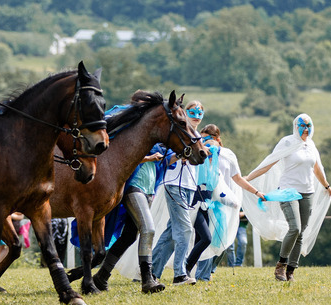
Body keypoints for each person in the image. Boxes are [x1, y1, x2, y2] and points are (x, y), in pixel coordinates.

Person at [246, 113, 331, 282]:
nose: (306, 129)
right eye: (302, 125)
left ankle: (291, 271)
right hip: (288, 191)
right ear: (295, 127)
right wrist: (247, 179)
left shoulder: (311, 145)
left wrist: (326, 185)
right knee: (295, 227)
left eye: (309, 125)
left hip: (307, 192)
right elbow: (269, 162)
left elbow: (317, 168)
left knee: (301, 233)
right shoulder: (287, 142)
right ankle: (281, 265)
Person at [188, 125, 263, 281]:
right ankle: (202, 275)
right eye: (201, 138)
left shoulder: (228, 155)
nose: (204, 142)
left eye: (207, 138)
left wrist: (256, 192)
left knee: (222, 241)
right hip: (207, 201)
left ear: (217, 139)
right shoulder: (202, 153)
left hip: (226, 202)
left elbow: (238, 179)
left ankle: (209, 270)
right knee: (206, 238)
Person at [91, 145, 168, 293]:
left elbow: (167, 160)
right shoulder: (138, 136)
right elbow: (125, 158)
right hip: (134, 187)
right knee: (148, 229)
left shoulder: (159, 145)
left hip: (149, 191)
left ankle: (102, 276)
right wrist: (149, 158)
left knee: (128, 237)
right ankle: (147, 279)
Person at [151, 100, 205, 285]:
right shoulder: (177, 134)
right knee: (185, 229)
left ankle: (151, 272)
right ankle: (180, 274)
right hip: (174, 183)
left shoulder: (197, 136)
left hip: (189, 186)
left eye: (200, 113)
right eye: (192, 113)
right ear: (185, 114)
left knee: (171, 234)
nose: (196, 117)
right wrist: (180, 155)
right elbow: (165, 159)